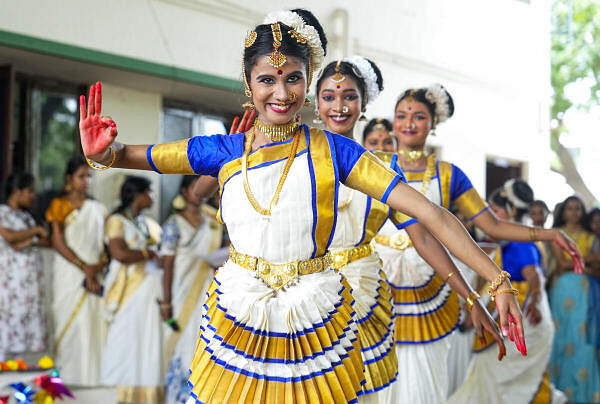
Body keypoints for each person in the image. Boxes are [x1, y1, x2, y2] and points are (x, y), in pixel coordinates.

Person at [79, 9, 527, 403]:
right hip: (241, 310)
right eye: (267, 80)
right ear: (248, 83)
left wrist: (497, 279)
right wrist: (103, 153)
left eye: (293, 78)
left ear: (307, 82)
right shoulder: (223, 149)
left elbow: (431, 214)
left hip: (312, 312)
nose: (281, 92)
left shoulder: (335, 152)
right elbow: (137, 156)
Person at [373, 85, 581, 404]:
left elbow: (492, 226)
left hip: (436, 290)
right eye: (401, 116)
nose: (408, 123)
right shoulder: (372, 166)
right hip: (380, 288)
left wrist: (549, 234)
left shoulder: (448, 174)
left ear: (434, 123)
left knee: (427, 385)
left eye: (419, 116)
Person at [315, 56, 506, 402]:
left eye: (349, 97)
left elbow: (427, 233)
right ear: (316, 102)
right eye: (328, 97)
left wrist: (478, 293)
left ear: (364, 105)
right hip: (306, 299)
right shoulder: (295, 156)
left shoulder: (379, 169)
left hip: (364, 298)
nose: (339, 107)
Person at [448, 181, 567, 404]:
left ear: (511, 211)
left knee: (503, 375)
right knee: (504, 376)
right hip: (517, 312)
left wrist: (535, 300)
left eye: (495, 210)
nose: (490, 215)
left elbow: (533, 276)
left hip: (522, 313)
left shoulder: (518, 241)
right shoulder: (512, 240)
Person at [101, 176, 165, 403]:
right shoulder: (117, 220)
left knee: (146, 338)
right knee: (126, 337)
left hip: (149, 289)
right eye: (150, 192)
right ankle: (123, 392)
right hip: (126, 287)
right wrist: (148, 254)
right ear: (137, 195)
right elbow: (119, 253)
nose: (153, 197)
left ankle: (146, 392)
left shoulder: (149, 224)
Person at [45, 155, 108, 385]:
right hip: (70, 273)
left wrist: (97, 267)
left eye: (89, 176)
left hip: (94, 273)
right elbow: (58, 242)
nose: (86, 181)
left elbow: (107, 245)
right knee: (69, 321)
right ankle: (69, 378)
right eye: (82, 176)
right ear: (68, 179)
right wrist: (85, 268)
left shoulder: (99, 209)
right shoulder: (59, 206)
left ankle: (94, 378)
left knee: (93, 321)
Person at [162, 176, 223, 404]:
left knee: (204, 339)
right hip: (182, 289)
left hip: (207, 289)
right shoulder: (173, 224)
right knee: (181, 341)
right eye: (193, 189)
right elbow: (167, 265)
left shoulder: (214, 222)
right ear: (184, 192)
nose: (199, 194)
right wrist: (166, 302)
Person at [549, 195, 600, 403]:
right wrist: (585, 264)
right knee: (560, 336)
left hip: (584, 292)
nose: (574, 212)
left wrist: (575, 262)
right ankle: (557, 390)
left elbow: (598, 262)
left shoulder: (591, 236)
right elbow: (560, 265)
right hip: (561, 291)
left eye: (578, 208)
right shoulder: (556, 235)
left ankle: (583, 394)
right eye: (570, 208)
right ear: (563, 211)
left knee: (582, 337)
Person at [0, 173, 48, 361]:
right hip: (9, 279)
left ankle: (14, 374)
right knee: (8, 319)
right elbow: (11, 238)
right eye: (29, 191)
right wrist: (35, 232)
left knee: (22, 322)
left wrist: (28, 239)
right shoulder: (2, 212)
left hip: (26, 280)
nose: (33, 196)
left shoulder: (27, 216)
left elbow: (45, 240)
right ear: (17, 192)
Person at [528, 200, 556, 281]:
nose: (538, 217)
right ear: (530, 215)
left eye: (541, 213)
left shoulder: (551, 235)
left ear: (547, 213)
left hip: (549, 277)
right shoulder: (526, 236)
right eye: (534, 213)